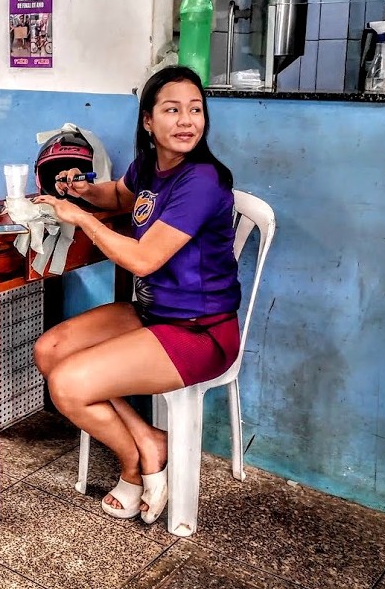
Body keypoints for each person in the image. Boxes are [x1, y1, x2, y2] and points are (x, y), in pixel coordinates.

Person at [32, 66, 241, 525]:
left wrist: (80, 217)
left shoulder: (201, 179)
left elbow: (144, 260)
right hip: (153, 312)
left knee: (67, 384)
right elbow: (120, 197)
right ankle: (149, 440)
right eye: (172, 110)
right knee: (50, 351)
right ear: (149, 121)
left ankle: (132, 465)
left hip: (200, 330)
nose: (187, 121)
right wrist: (86, 191)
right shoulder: (150, 165)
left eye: (195, 110)